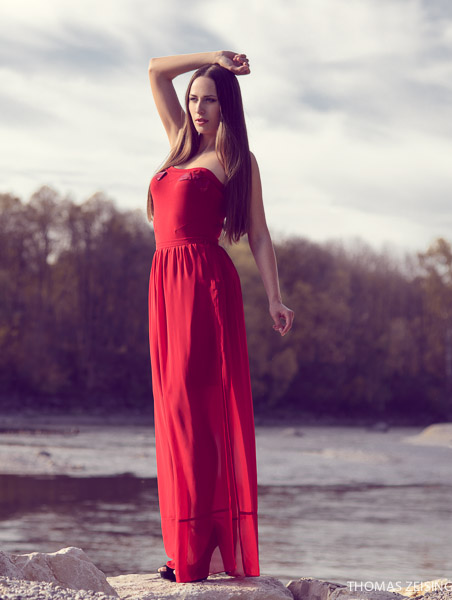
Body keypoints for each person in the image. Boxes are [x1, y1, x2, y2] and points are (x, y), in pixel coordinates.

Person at [146, 50, 294, 583]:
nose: (198, 108)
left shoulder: (238, 162)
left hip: (205, 286)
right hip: (164, 284)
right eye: (193, 99)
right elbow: (155, 70)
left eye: (209, 99)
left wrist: (274, 298)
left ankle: (193, 551)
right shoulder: (177, 143)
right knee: (173, 411)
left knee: (199, 413)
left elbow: (258, 233)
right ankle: (185, 544)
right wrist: (211, 57)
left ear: (227, 106)